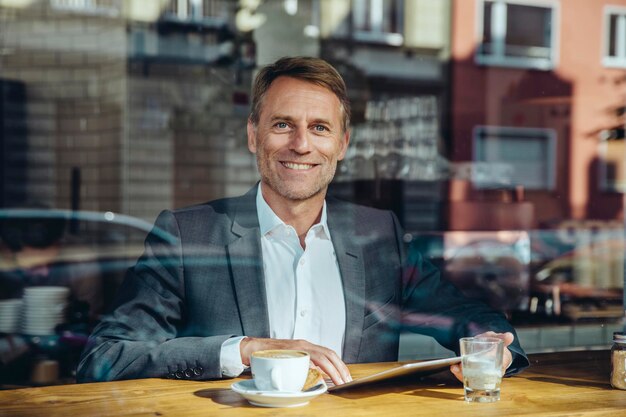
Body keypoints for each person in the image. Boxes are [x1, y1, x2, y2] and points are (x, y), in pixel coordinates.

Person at [77, 56, 529, 385]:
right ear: (253, 135)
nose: (301, 144)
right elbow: (105, 358)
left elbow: (462, 315)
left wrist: (491, 346)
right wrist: (246, 349)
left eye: (319, 128)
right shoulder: (186, 235)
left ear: (342, 143)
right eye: (282, 125)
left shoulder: (378, 235)